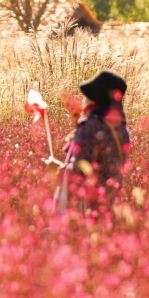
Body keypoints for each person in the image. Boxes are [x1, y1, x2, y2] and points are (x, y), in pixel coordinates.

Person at [56, 70, 131, 220]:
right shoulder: (122, 130)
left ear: (95, 99)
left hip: (83, 211)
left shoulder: (89, 126)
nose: (84, 100)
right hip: (109, 208)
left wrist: (56, 169)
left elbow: (77, 173)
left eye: (87, 96)